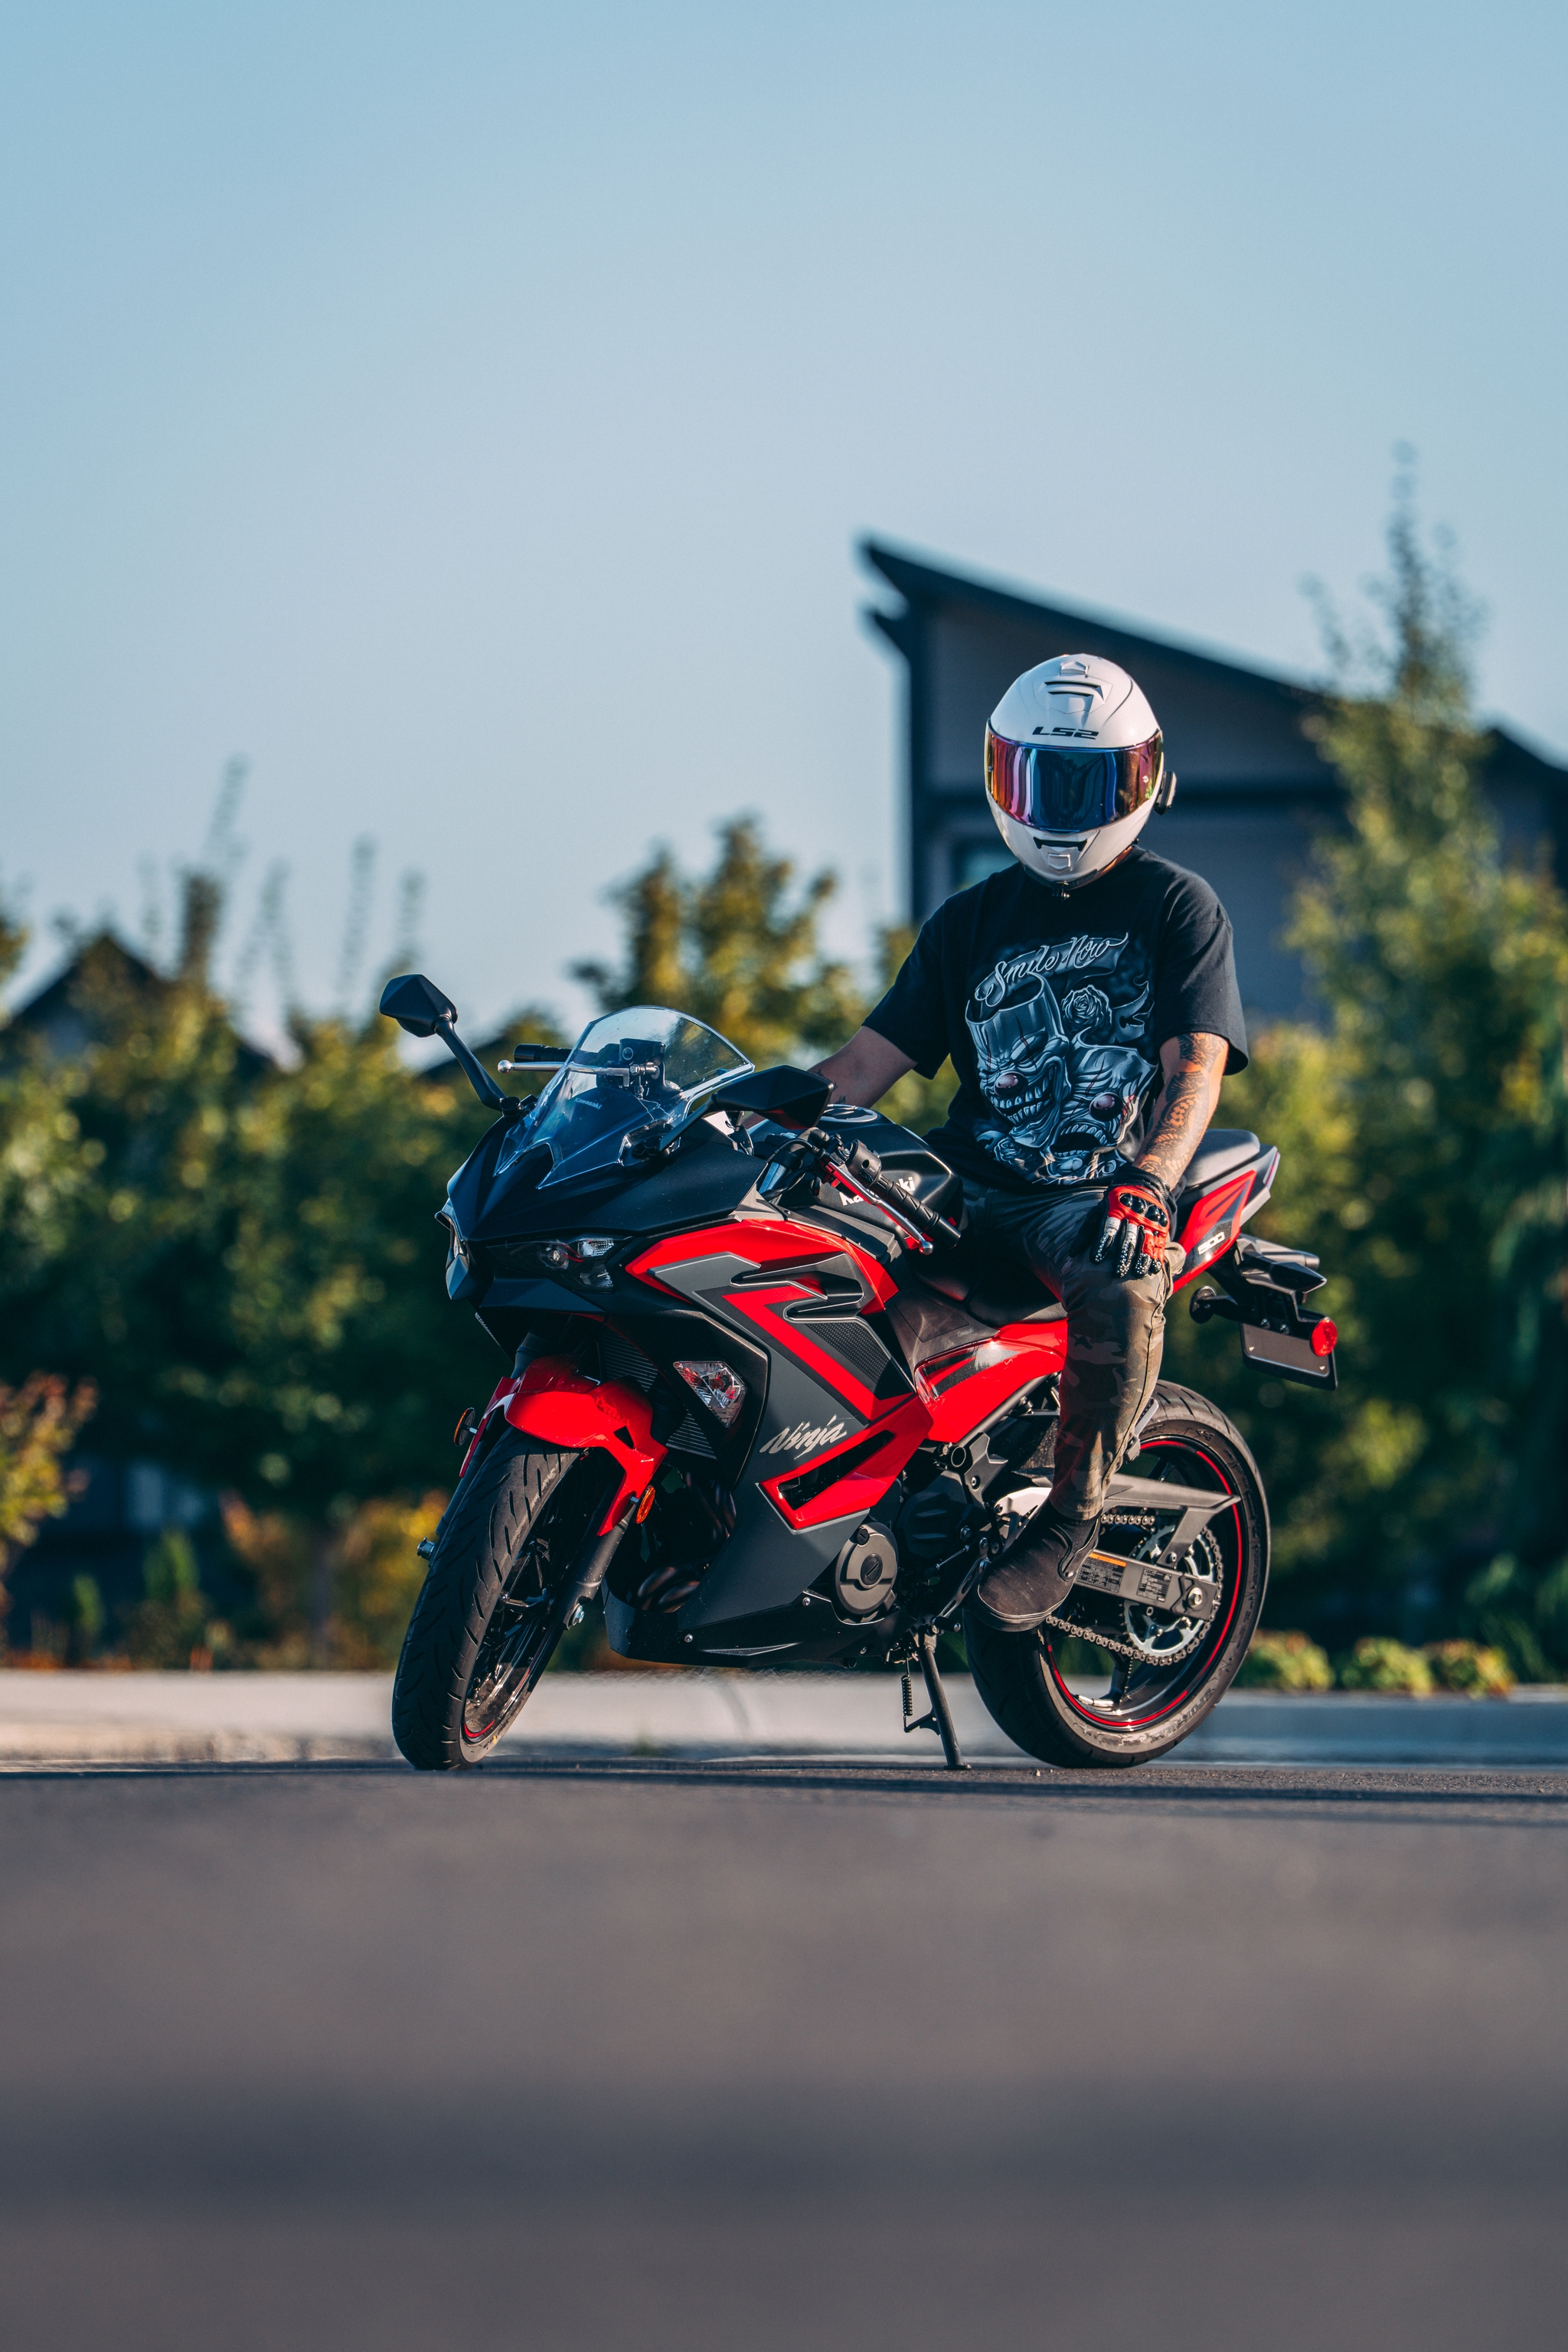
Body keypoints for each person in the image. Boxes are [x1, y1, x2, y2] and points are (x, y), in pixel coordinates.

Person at [813, 653, 1248, 1629]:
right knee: (819, 1284)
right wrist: (735, 1115)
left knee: (1121, 1267)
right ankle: (899, 1508)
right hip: (963, 1189)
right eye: (1039, 779)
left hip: (1089, 1195)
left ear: (1142, 781)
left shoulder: (1175, 905)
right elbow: (857, 1069)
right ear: (1001, 777)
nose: (1060, 805)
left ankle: (1070, 1522)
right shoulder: (968, 919)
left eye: (1087, 782)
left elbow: (1196, 1066)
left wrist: (1146, 1183)